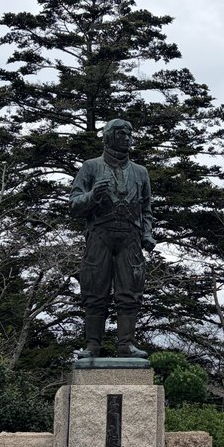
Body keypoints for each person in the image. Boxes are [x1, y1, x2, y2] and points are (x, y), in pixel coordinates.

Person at [69, 118, 154, 358]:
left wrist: (147, 233)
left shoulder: (140, 172)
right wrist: (94, 195)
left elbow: (146, 209)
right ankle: (92, 345)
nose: (127, 139)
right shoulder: (91, 167)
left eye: (129, 135)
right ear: (108, 137)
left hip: (130, 236)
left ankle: (125, 344)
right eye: (121, 135)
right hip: (100, 235)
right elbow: (74, 205)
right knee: (95, 289)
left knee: (130, 290)